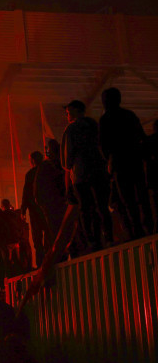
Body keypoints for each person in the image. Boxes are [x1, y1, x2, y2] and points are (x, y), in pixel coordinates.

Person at [99, 87, 153, 240]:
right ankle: (149, 226)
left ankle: (136, 231)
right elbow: (141, 136)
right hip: (134, 160)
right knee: (142, 196)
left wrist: (108, 162)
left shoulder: (105, 119)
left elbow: (103, 145)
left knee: (127, 200)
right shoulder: (129, 115)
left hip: (119, 164)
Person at [61, 99, 114, 251]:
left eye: (68, 112)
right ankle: (108, 237)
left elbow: (67, 160)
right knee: (102, 206)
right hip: (99, 171)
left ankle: (92, 240)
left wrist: (68, 184)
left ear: (77, 110)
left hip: (81, 175)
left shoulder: (71, 129)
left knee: (86, 208)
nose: (67, 115)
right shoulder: (94, 125)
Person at [35, 138, 67, 254]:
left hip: (52, 206)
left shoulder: (45, 167)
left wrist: (42, 204)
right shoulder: (63, 164)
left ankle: (57, 254)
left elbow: (37, 190)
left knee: (53, 231)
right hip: (62, 203)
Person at [22, 151, 47, 267]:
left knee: (37, 239)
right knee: (48, 235)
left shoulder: (31, 174)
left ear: (32, 160)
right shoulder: (49, 171)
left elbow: (26, 193)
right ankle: (49, 259)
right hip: (47, 209)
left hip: (35, 211)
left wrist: (23, 209)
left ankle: (40, 263)